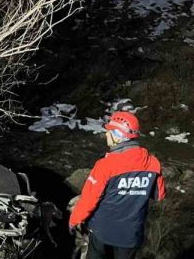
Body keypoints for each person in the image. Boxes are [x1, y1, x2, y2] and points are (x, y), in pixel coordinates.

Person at [68, 111, 166, 259]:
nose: (106, 135)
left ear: (119, 135)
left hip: (102, 232)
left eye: (109, 131)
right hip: (131, 234)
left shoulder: (106, 165)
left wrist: (74, 220)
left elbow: (89, 200)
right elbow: (159, 195)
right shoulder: (152, 163)